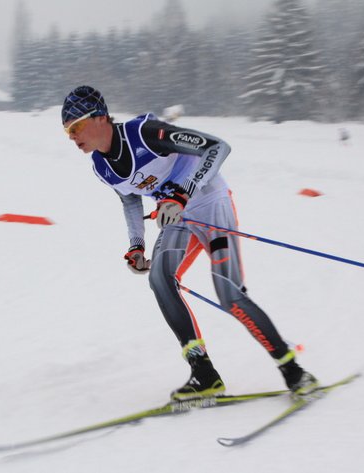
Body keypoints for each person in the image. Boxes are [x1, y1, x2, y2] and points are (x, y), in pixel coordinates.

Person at [61, 85, 319, 401]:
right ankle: (204, 374)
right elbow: (130, 201)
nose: (72, 136)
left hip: (210, 203)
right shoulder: (102, 167)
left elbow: (217, 147)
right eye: (66, 131)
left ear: (100, 117)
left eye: (75, 126)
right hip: (177, 215)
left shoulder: (145, 133)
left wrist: (182, 192)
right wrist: (136, 246)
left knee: (230, 294)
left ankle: (293, 371)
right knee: (160, 279)